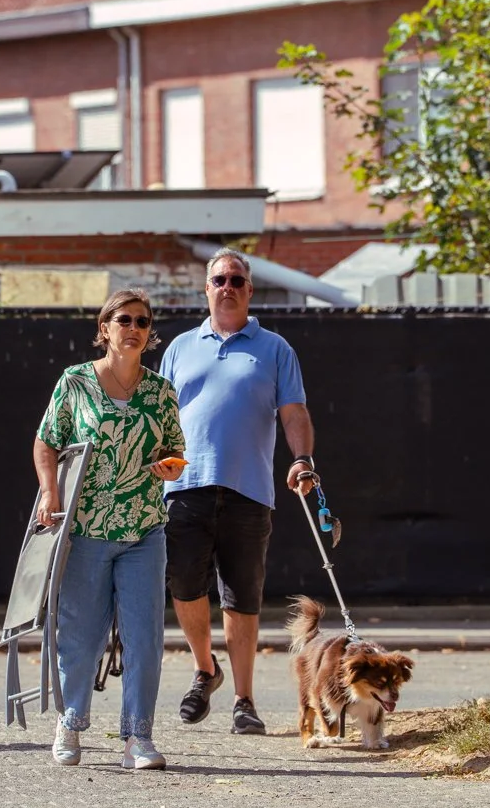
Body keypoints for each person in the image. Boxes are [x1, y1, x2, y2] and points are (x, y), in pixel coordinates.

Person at [159, 249, 316, 734]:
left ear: (250, 290)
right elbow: (160, 417)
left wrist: (303, 460)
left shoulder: (275, 349)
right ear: (206, 289)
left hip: (248, 490)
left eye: (237, 280)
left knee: (241, 598)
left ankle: (245, 701)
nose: (227, 287)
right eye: (219, 279)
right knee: (185, 587)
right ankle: (205, 669)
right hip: (184, 485)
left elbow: (293, 413)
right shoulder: (180, 346)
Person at [34, 289, 188, 769]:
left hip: (144, 528)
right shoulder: (75, 382)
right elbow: (46, 442)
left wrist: (171, 468)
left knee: (144, 637)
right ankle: (71, 723)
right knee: (79, 634)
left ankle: (137, 738)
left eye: (142, 321)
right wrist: (49, 491)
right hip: (85, 528)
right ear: (105, 328)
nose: (134, 328)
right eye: (124, 319)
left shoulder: (161, 391)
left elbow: (177, 453)